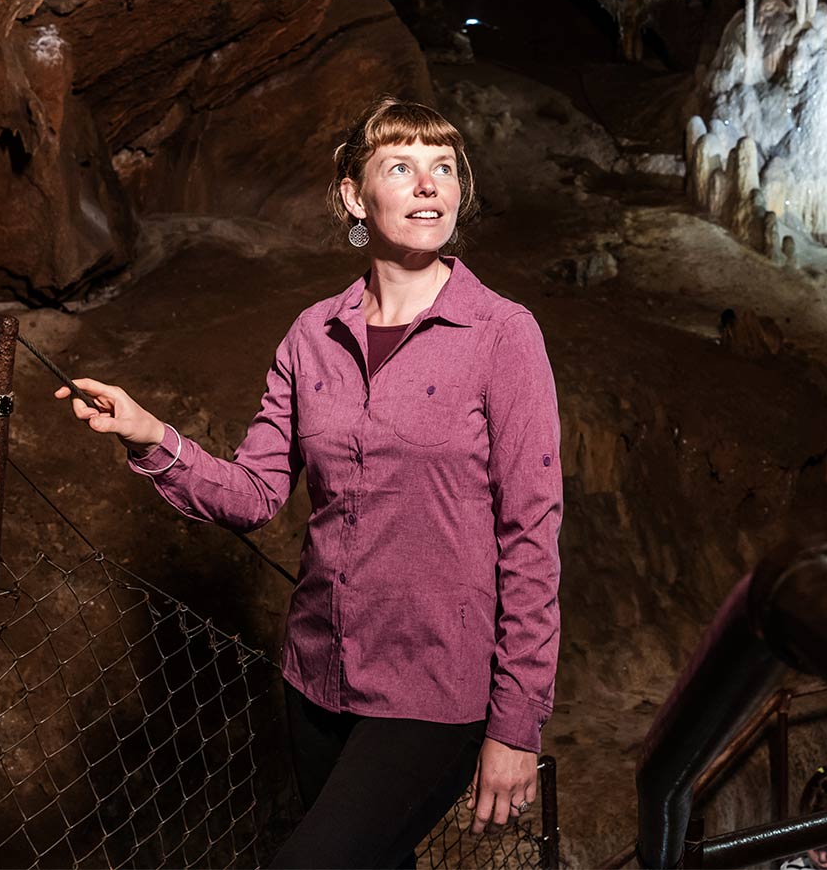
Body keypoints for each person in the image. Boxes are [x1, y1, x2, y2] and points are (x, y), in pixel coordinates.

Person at [55, 97, 563, 868]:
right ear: (356, 198)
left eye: (444, 169)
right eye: (402, 167)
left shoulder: (503, 335)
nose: (430, 186)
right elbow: (257, 493)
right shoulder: (312, 336)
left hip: (434, 690)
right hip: (316, 680)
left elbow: (532, 532)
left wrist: (515, 723)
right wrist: (152, 436)